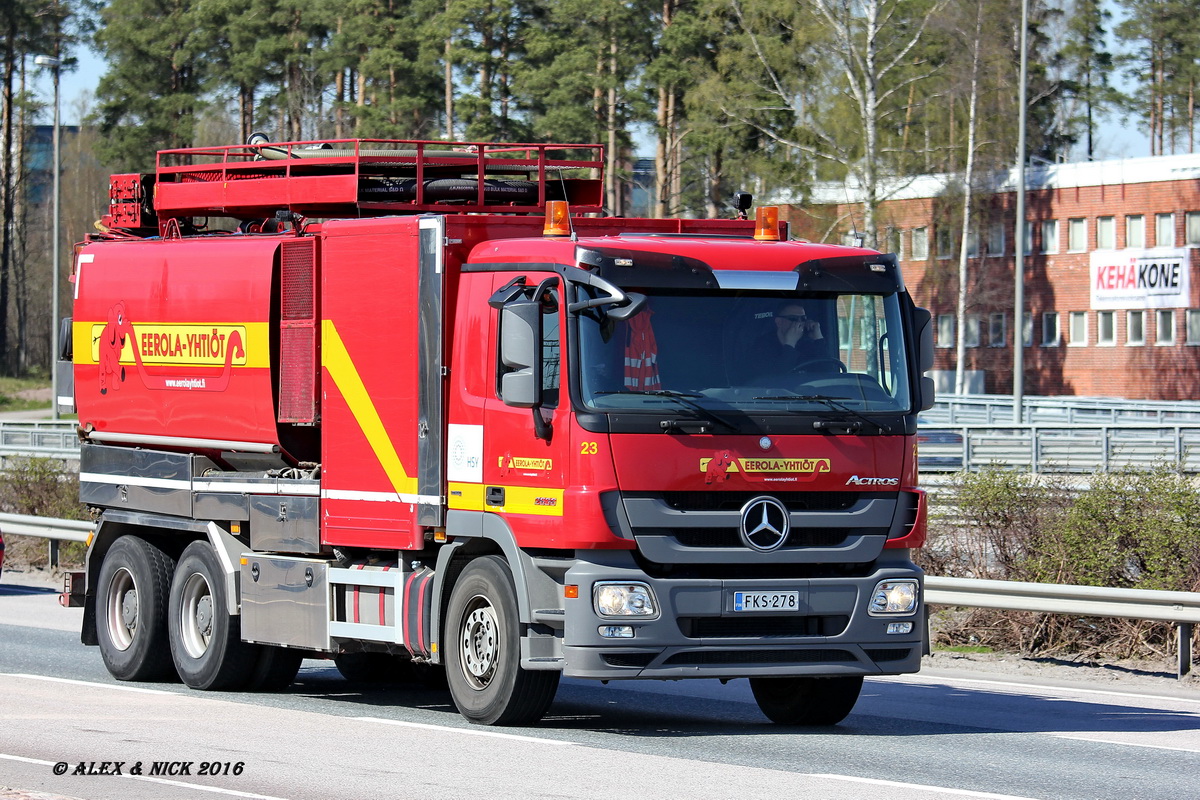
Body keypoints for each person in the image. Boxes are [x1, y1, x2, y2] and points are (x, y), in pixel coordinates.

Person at [745, 301, 829, 378]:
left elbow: (828, 373)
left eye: (803, 319)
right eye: (793, 319)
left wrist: (818, 338)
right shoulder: (762, 346)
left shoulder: (806, 344)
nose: (799, 323)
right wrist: (790, 344)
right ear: (779, 322)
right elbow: (775, 379)